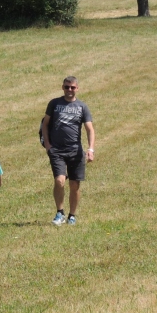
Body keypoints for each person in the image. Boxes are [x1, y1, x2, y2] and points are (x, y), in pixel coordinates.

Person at [41, 76, 96, 226]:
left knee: (74, 185)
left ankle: (72, 215)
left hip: (75, 151)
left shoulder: (82, 107)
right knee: (59, 180)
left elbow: (89, 129)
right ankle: (60, 213)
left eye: (72, 87)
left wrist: (90, 149)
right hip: (57, 150)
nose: (69, 90)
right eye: (66, 87)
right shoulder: (54, 103)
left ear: (77, 88)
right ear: (62, 87)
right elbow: (45, 124)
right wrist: (48, 145)